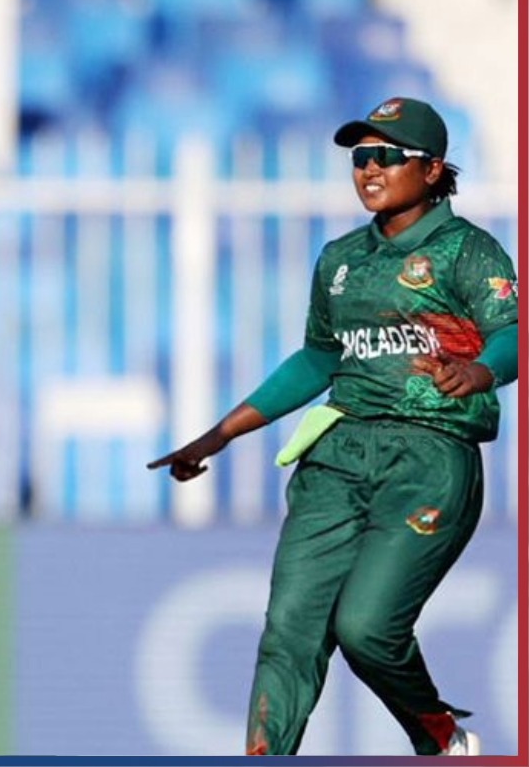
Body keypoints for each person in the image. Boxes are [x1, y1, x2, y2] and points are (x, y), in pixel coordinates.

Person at [148, 96, 518, 757]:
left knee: (367, 627)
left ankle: (438, 735)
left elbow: (512, 333)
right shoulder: (341, 259)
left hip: (430, 457)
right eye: (360, 157)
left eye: (387, 156)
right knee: (289, 629)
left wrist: (481, 371)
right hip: (337, 457)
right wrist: (220, 434)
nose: (369, 169)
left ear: (432, 169)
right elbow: (320, 358)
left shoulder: (468, 250)